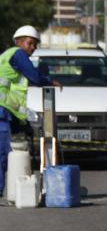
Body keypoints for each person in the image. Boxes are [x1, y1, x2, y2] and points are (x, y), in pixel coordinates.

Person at [0, 26, 62, 202]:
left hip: (7, 113)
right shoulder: (18, 54)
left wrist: (22, 121)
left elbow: (14, 91)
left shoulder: (11, 58)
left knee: (8, 153)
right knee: (3, 153)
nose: (33, 47)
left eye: (35, 44)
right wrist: (49, 81)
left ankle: (12, 190)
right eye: (30, 43)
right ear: (19, 41)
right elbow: (35, 77)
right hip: (1, 113)